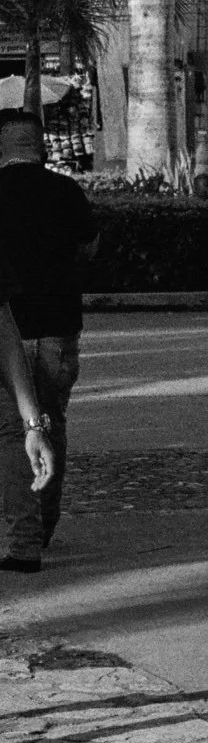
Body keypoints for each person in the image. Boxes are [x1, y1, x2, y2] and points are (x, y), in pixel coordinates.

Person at [0, 112, 72, 568]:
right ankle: (35, 531)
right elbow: (90, 245)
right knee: (47, 427)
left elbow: (3, 326)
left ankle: (26, 538)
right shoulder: (65, 191)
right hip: (54, 327)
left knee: (23, 432)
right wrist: (34, 425)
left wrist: (30, 424)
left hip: (28, 331)